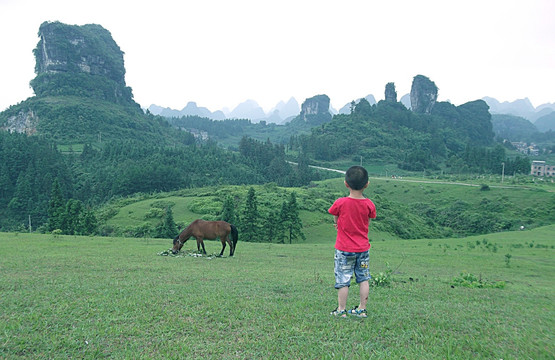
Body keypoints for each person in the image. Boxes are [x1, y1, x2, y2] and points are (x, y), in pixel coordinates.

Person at [328, 166, 377, 318]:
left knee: (343, 279)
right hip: (363, 249)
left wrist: (338, 223)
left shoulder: (340, 202)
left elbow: (335, 215)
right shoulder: (369, 204)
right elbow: (368, 220)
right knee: (363, 278)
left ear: (346, 184)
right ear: (366, 184)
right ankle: (362, 308)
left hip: (344, 249)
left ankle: (341, 309)